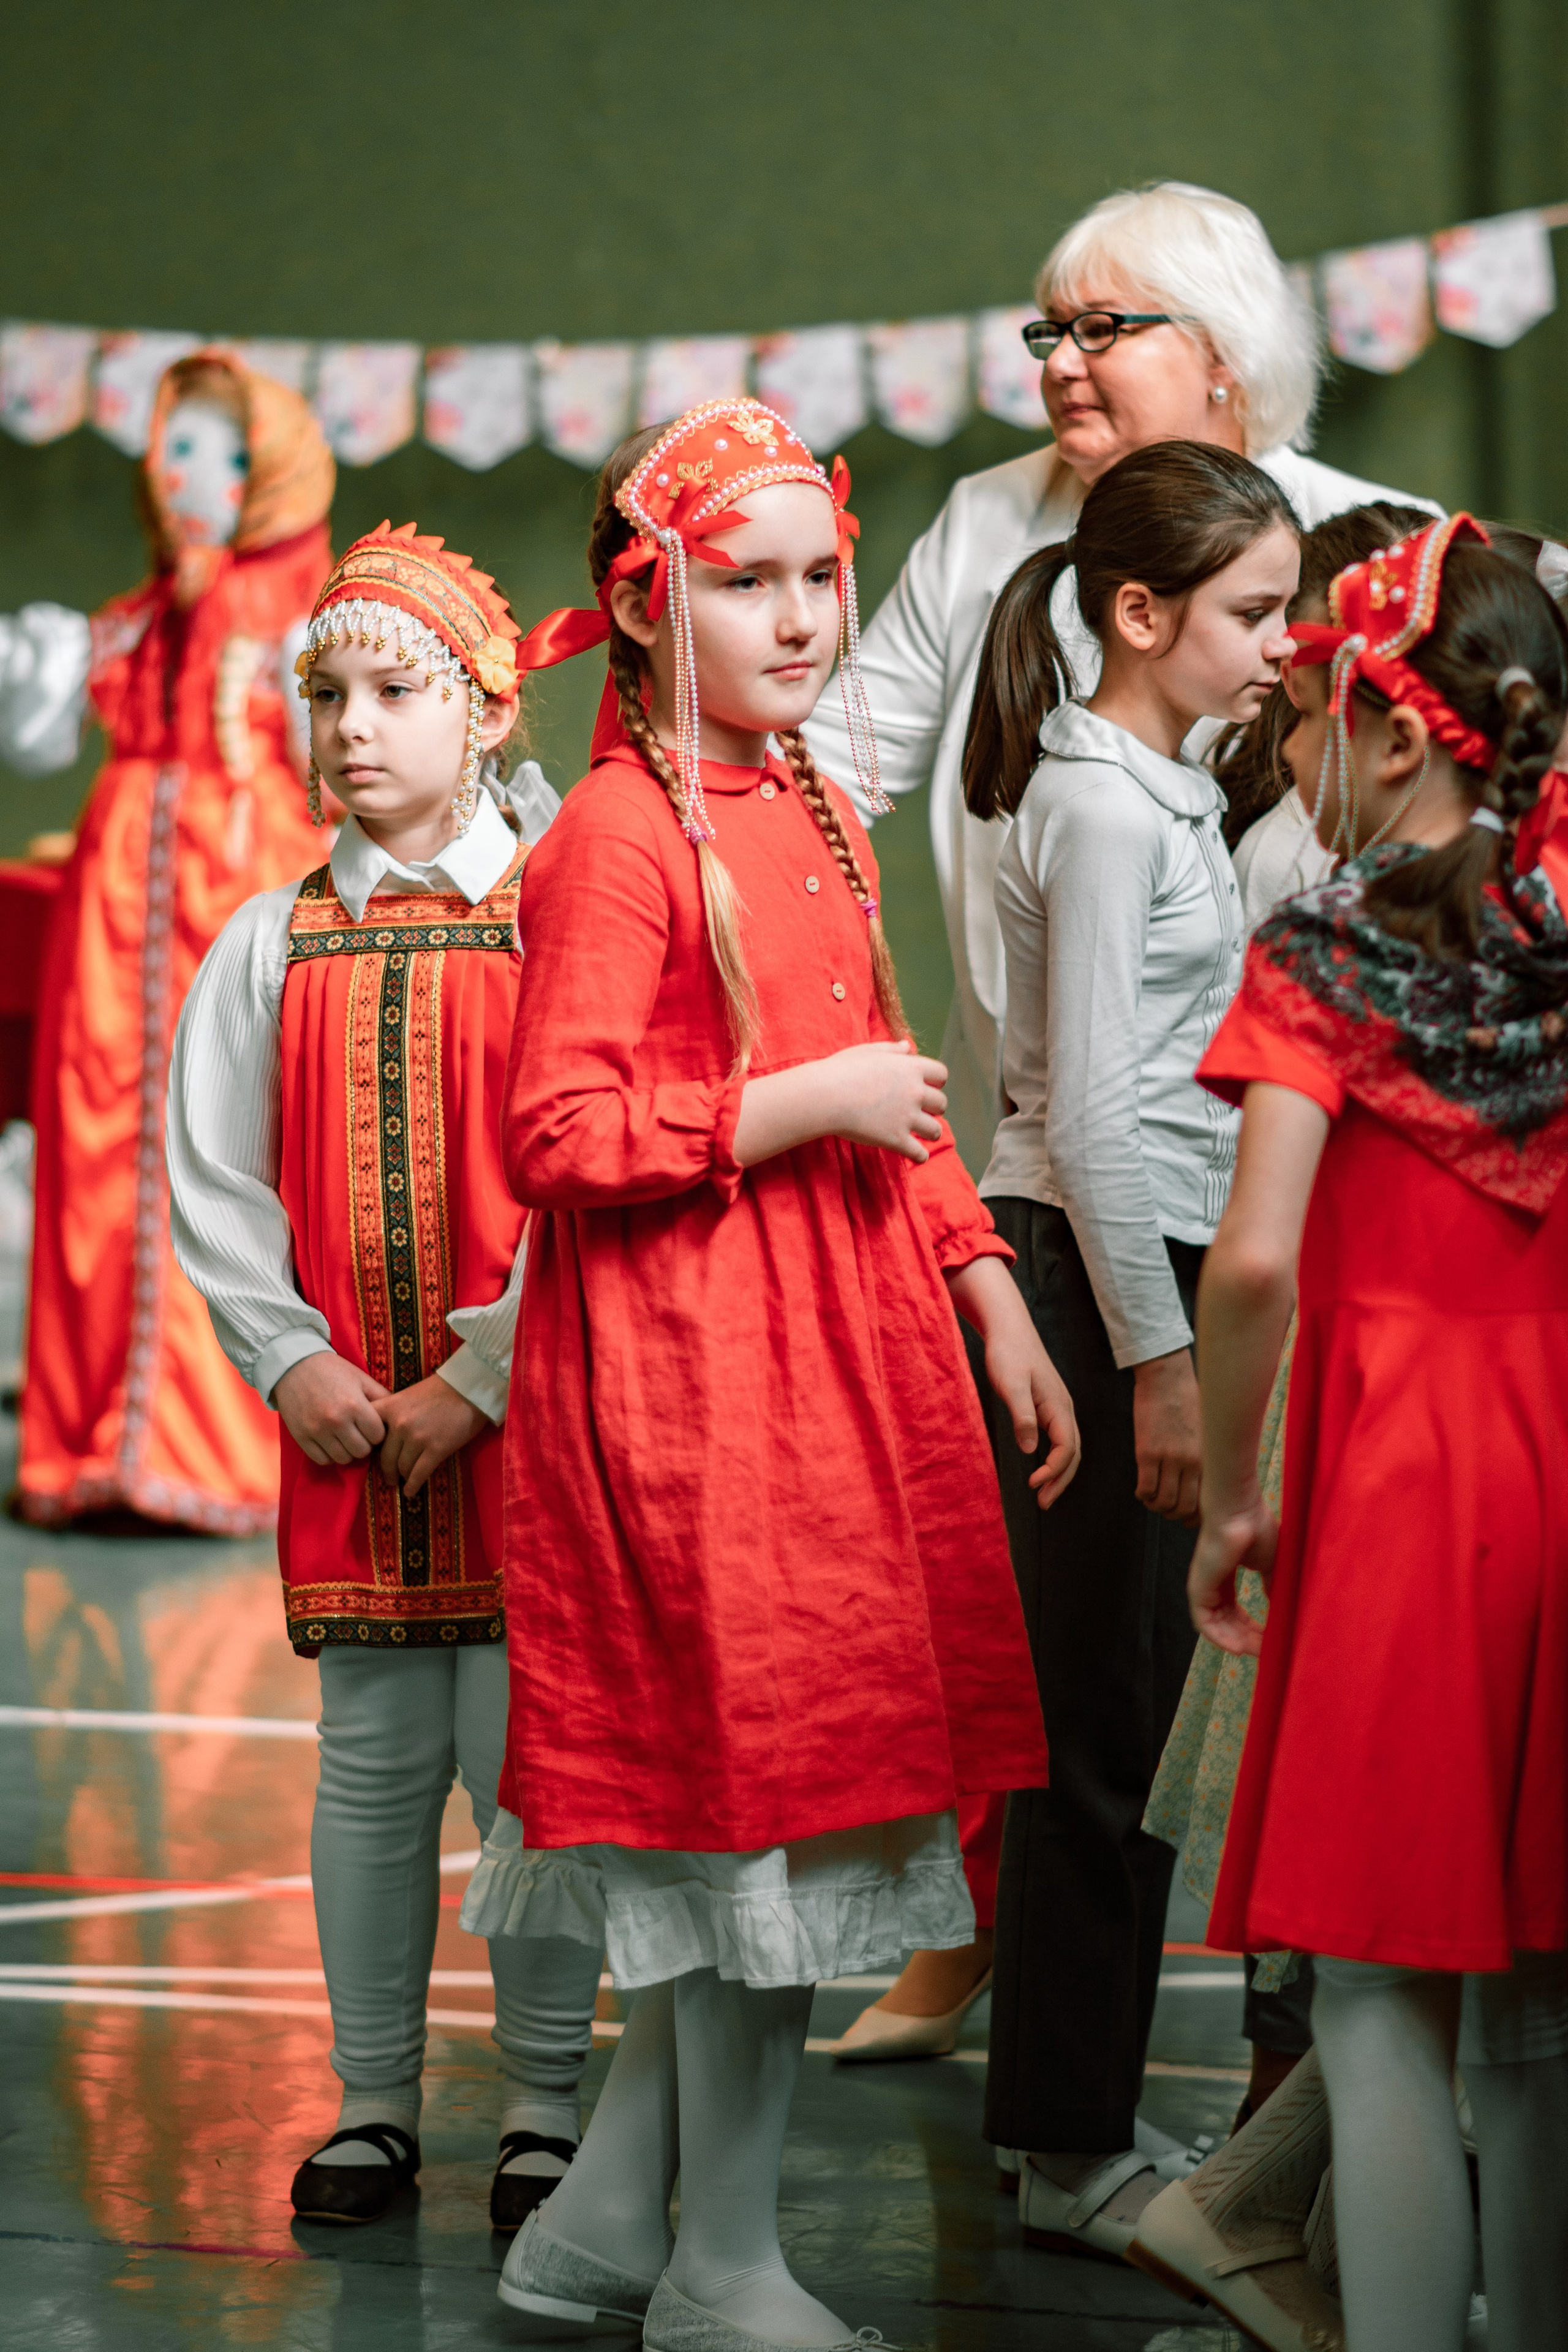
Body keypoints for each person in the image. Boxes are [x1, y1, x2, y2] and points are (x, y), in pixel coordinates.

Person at [457, 399, 1076, 2351]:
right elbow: (555, 1135)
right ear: (651, 605)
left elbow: (894, 1082)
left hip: (838, 1369)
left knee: (803, 1806)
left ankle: (598, 2235)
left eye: (823, 578)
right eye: (750, 583)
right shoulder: (617, 838)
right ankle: (720, 2267)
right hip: (694, 1391)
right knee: (755, 1819)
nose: (803, 618)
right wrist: (790, 1108)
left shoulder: (806, 800)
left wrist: (987, 1289)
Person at [806, 181, 1436, 2051]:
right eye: (1050, 330)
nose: (1062, 363)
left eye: (1106, 328)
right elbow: (835, 769)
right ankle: (1035, 2000)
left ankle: (1265, 2058)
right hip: (1083, 1183)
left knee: (1226, 1634)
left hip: (1277, 1177)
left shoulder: (1355, 547)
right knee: (1086, 1639)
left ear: (1225, 361)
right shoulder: (994, 533)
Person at [166, 523, 601, 2234]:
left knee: (530, 1768)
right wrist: (288, 1359)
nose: (353, 726)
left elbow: (591, 1182)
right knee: (370, 1761)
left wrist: (483, 1376)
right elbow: (213, 1178)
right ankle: (371, 2104)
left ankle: (546, 2104)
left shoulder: (559, 920)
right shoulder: (266, 943)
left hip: (528, 1426)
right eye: (328, 694)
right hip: (348, 1436)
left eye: (395, 691)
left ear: (485, 708)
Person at [1177, 513, 1568, 2352]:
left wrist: (1228, 1498)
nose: (1299, 739)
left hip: (1404, 1473)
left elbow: (1255, 1258)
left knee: (1375, 1986)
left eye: (1318, 707)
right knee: (1541, 1996)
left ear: (1399, 732)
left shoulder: (1326, 945)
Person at [959, 439, 1300, 2259]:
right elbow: (1090, 1115)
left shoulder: (1160, 791)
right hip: (1100, 1281)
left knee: (1148, 1712)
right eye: (1254, 611)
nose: (1280, 643)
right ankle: (1060, 2141)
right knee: (1099, 1721)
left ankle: (1074, 2103)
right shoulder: (1096, 809)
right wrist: (1161, 1365)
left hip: (1145, 1274)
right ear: (1143, 615)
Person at [0, 349, 337, 1529]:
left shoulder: (307, 623)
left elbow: (339, 772)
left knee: (230, 1140)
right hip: (117, 906)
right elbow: (39, 726)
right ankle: (95, 1438)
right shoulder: (138, 623)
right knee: (99, 1133)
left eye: (225, 453)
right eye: (177, 449)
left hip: (241, 889)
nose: (190, 475)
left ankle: (213, 1448)